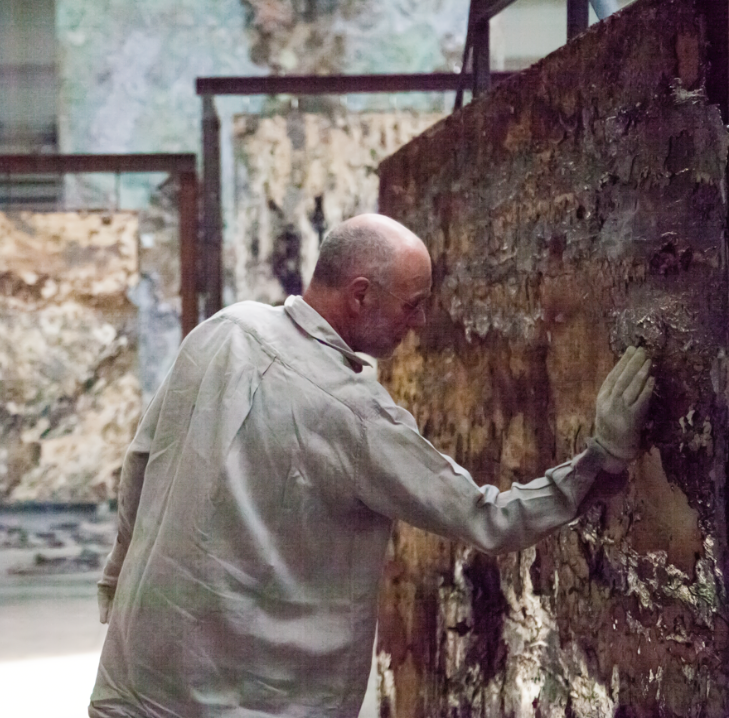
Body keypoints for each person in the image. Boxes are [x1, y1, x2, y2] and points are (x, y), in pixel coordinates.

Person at [89, 213, 654, 718]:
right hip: (255, 699)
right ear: (360, 295)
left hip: (136, 681)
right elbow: (490, 519)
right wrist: (601, 457)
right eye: (412, 304)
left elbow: (140, 461)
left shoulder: (224, 329)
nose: (420, 321)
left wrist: (119, 584)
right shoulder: (354, 414)